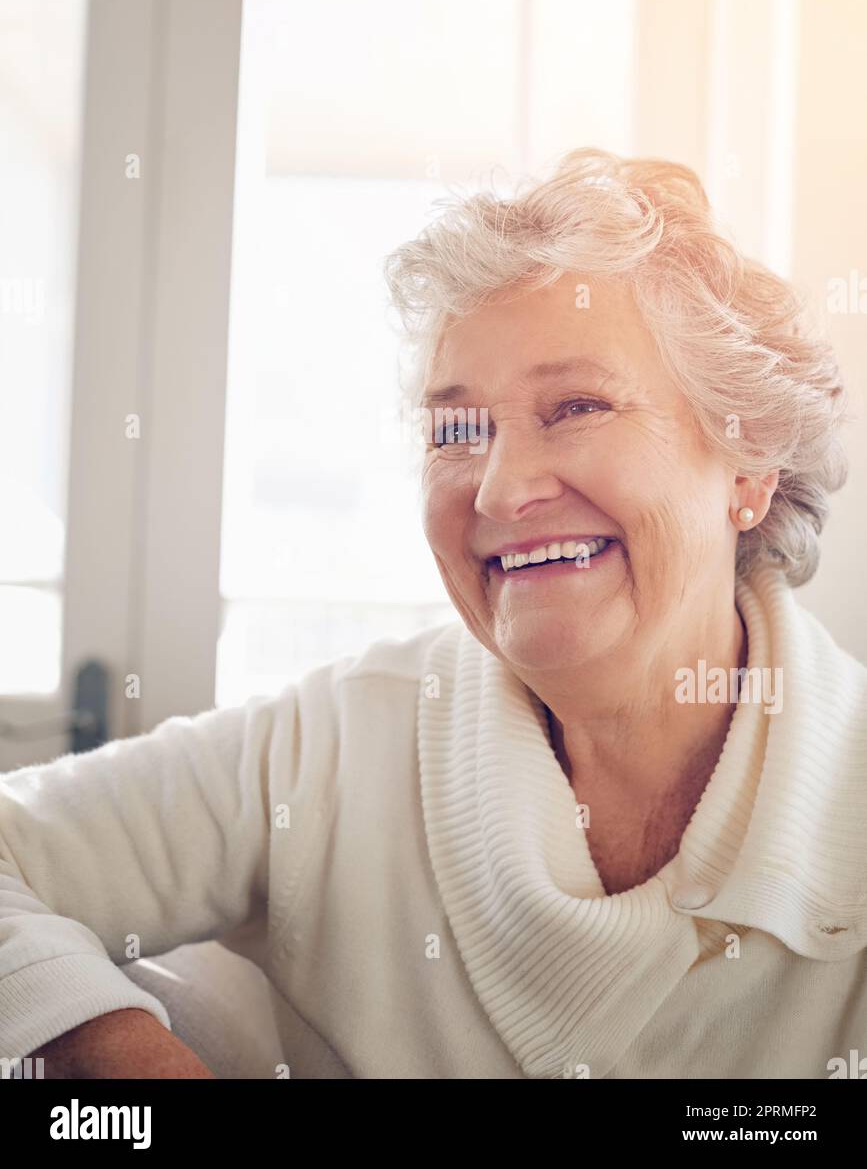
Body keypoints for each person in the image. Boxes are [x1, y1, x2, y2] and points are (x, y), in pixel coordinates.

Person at [1, 147, 865, 1079]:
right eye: (456, 429)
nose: (500, 488)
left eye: (575, 406)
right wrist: (108, 1041)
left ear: (747, 466)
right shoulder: (335, 742)